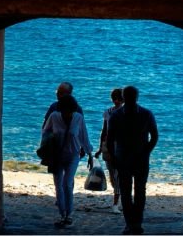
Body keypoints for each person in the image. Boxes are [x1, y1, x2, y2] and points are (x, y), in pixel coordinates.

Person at [106, 85, 159, 235]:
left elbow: (110, 140)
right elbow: (154, 136)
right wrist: (146, 151)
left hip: (130, 158)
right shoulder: (145, 114)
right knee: (132, 191)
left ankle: (133, 223)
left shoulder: (117, 116)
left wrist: (145, 152)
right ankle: (133, 223)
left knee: (134, 191)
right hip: (129, 158)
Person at [42, 93, 94, 229]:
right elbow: (45, 131)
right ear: (61, 109)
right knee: (58, 185)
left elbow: (84, 136)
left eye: (70, 111)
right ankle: (62, 214)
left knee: (67, 183)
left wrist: (90, 154)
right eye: (66, 110)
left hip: (73, 155)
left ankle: (69, 214)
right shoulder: (54, 117)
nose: (68, 114)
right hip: (57, 155)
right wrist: (47, 146)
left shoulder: (78, 118)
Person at [96, 88, 125, 206]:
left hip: (121, 147)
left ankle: (115, 203)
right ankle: (118, 197)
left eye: (119, 99)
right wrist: (99, 148)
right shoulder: (108, 112)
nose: (116, 101)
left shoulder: (126, 113)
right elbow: (104, 131)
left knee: (118, 174)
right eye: (114, 99)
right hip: (108, 146)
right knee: (112, 174)